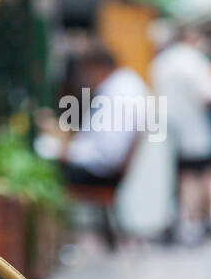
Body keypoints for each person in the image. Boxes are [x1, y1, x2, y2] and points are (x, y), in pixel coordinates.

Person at [150, 27, 211, 245]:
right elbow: (209, 95)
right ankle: (197, 222)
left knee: (182, 178)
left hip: (169, 129)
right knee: (199, 177)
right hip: (197, 131)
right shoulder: (197, 62)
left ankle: (186, 223)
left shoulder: (162, 62)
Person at [56, 47, 150, 188]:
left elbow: (108, 156)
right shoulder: (125, 83)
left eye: (84, 74)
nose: (83, 81)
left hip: (107, 176)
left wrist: (67, 152)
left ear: (95, 68)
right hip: (118, 173)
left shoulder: (116, 92)